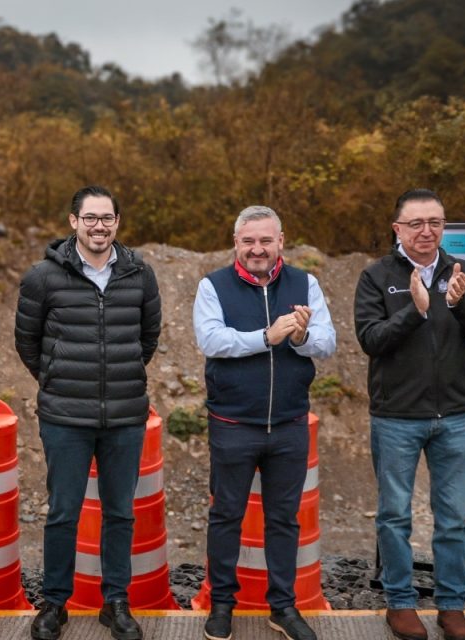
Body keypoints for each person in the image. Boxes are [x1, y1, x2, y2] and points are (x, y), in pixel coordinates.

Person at [15, 185, 162, 640]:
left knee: (120, 512)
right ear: (73, 222)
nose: (100, 226)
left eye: (108, 218)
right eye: (91, 218)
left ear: (117, 222)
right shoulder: (43, 276)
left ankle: (115, 601)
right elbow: (28, 342)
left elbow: (147, 340)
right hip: (64, 417)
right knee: (63, 512)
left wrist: (117, 379)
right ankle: (54, 604)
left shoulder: (140, 274)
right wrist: (58, 378)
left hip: (124, 416)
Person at [353, 188, 465, 640]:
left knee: (452, 516)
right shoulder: (376, 275)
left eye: (435, 222)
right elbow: (370, 340)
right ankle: (400, 603)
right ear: (397, 228)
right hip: (396, 416)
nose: (426, 231)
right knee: (395, 515)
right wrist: (415, 312)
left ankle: (451, 605)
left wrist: (460, 303)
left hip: (454, 414)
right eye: (415, 223)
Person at [194, 206, 336, 640]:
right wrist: (266, 337)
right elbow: (210, 339)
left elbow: (327, 343)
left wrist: (300, 336)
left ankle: (283, 607)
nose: (258, 249)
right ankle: (221, 605)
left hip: (289, 423)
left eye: (266, 240)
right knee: (227, 516)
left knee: (283, 520)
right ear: (236, 242)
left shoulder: (304, 283)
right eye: (249, 241)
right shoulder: (212, 285)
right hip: (233, 422)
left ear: (281, 242)